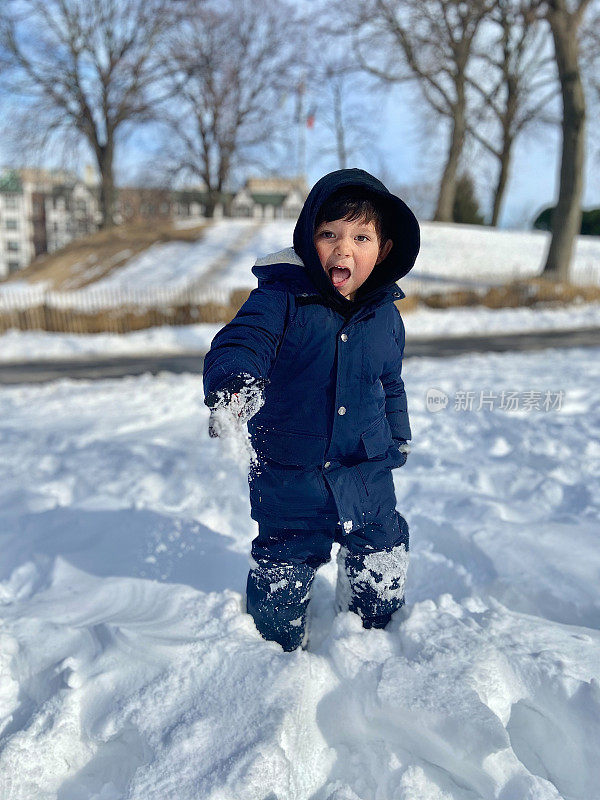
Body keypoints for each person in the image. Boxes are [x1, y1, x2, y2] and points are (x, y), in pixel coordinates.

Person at [203, 168, 420, 651]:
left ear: (382, 250)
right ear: (307, 240)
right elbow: (242, 342)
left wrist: (397, 435)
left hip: (365, 469)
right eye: (329, 234)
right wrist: (235, 384)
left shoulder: (386, 315)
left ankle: (369, 636)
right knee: (282, 576)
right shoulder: (278, 299)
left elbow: (390, 381)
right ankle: (274, 653)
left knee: (382, 554)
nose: (344, 249)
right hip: (290, 475)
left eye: (361, 237)